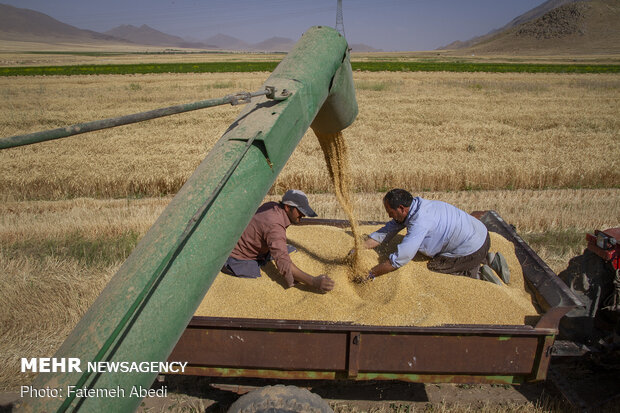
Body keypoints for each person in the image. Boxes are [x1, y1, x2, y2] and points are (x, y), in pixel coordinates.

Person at [356, 188, 491, 282]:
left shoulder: (419, 223)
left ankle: (477, 272)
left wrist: (369, 274)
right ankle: (490, 259)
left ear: (401, 208)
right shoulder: (416, 206)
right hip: (482, 234)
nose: (389, 215)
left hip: (473, 249)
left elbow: (399, 259)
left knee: (436, 266)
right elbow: (386, 231)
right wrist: (359, 248)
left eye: (390, 212)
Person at [222, 189, 335, 293]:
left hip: (247, 244)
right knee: (254, 273)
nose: (303, 215)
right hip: (238, 258)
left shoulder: (272, 206)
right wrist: (314, 281)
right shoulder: (275, 226)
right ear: (287, 207)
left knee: (289, 249)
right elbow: (283, 263)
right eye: (299, 211)